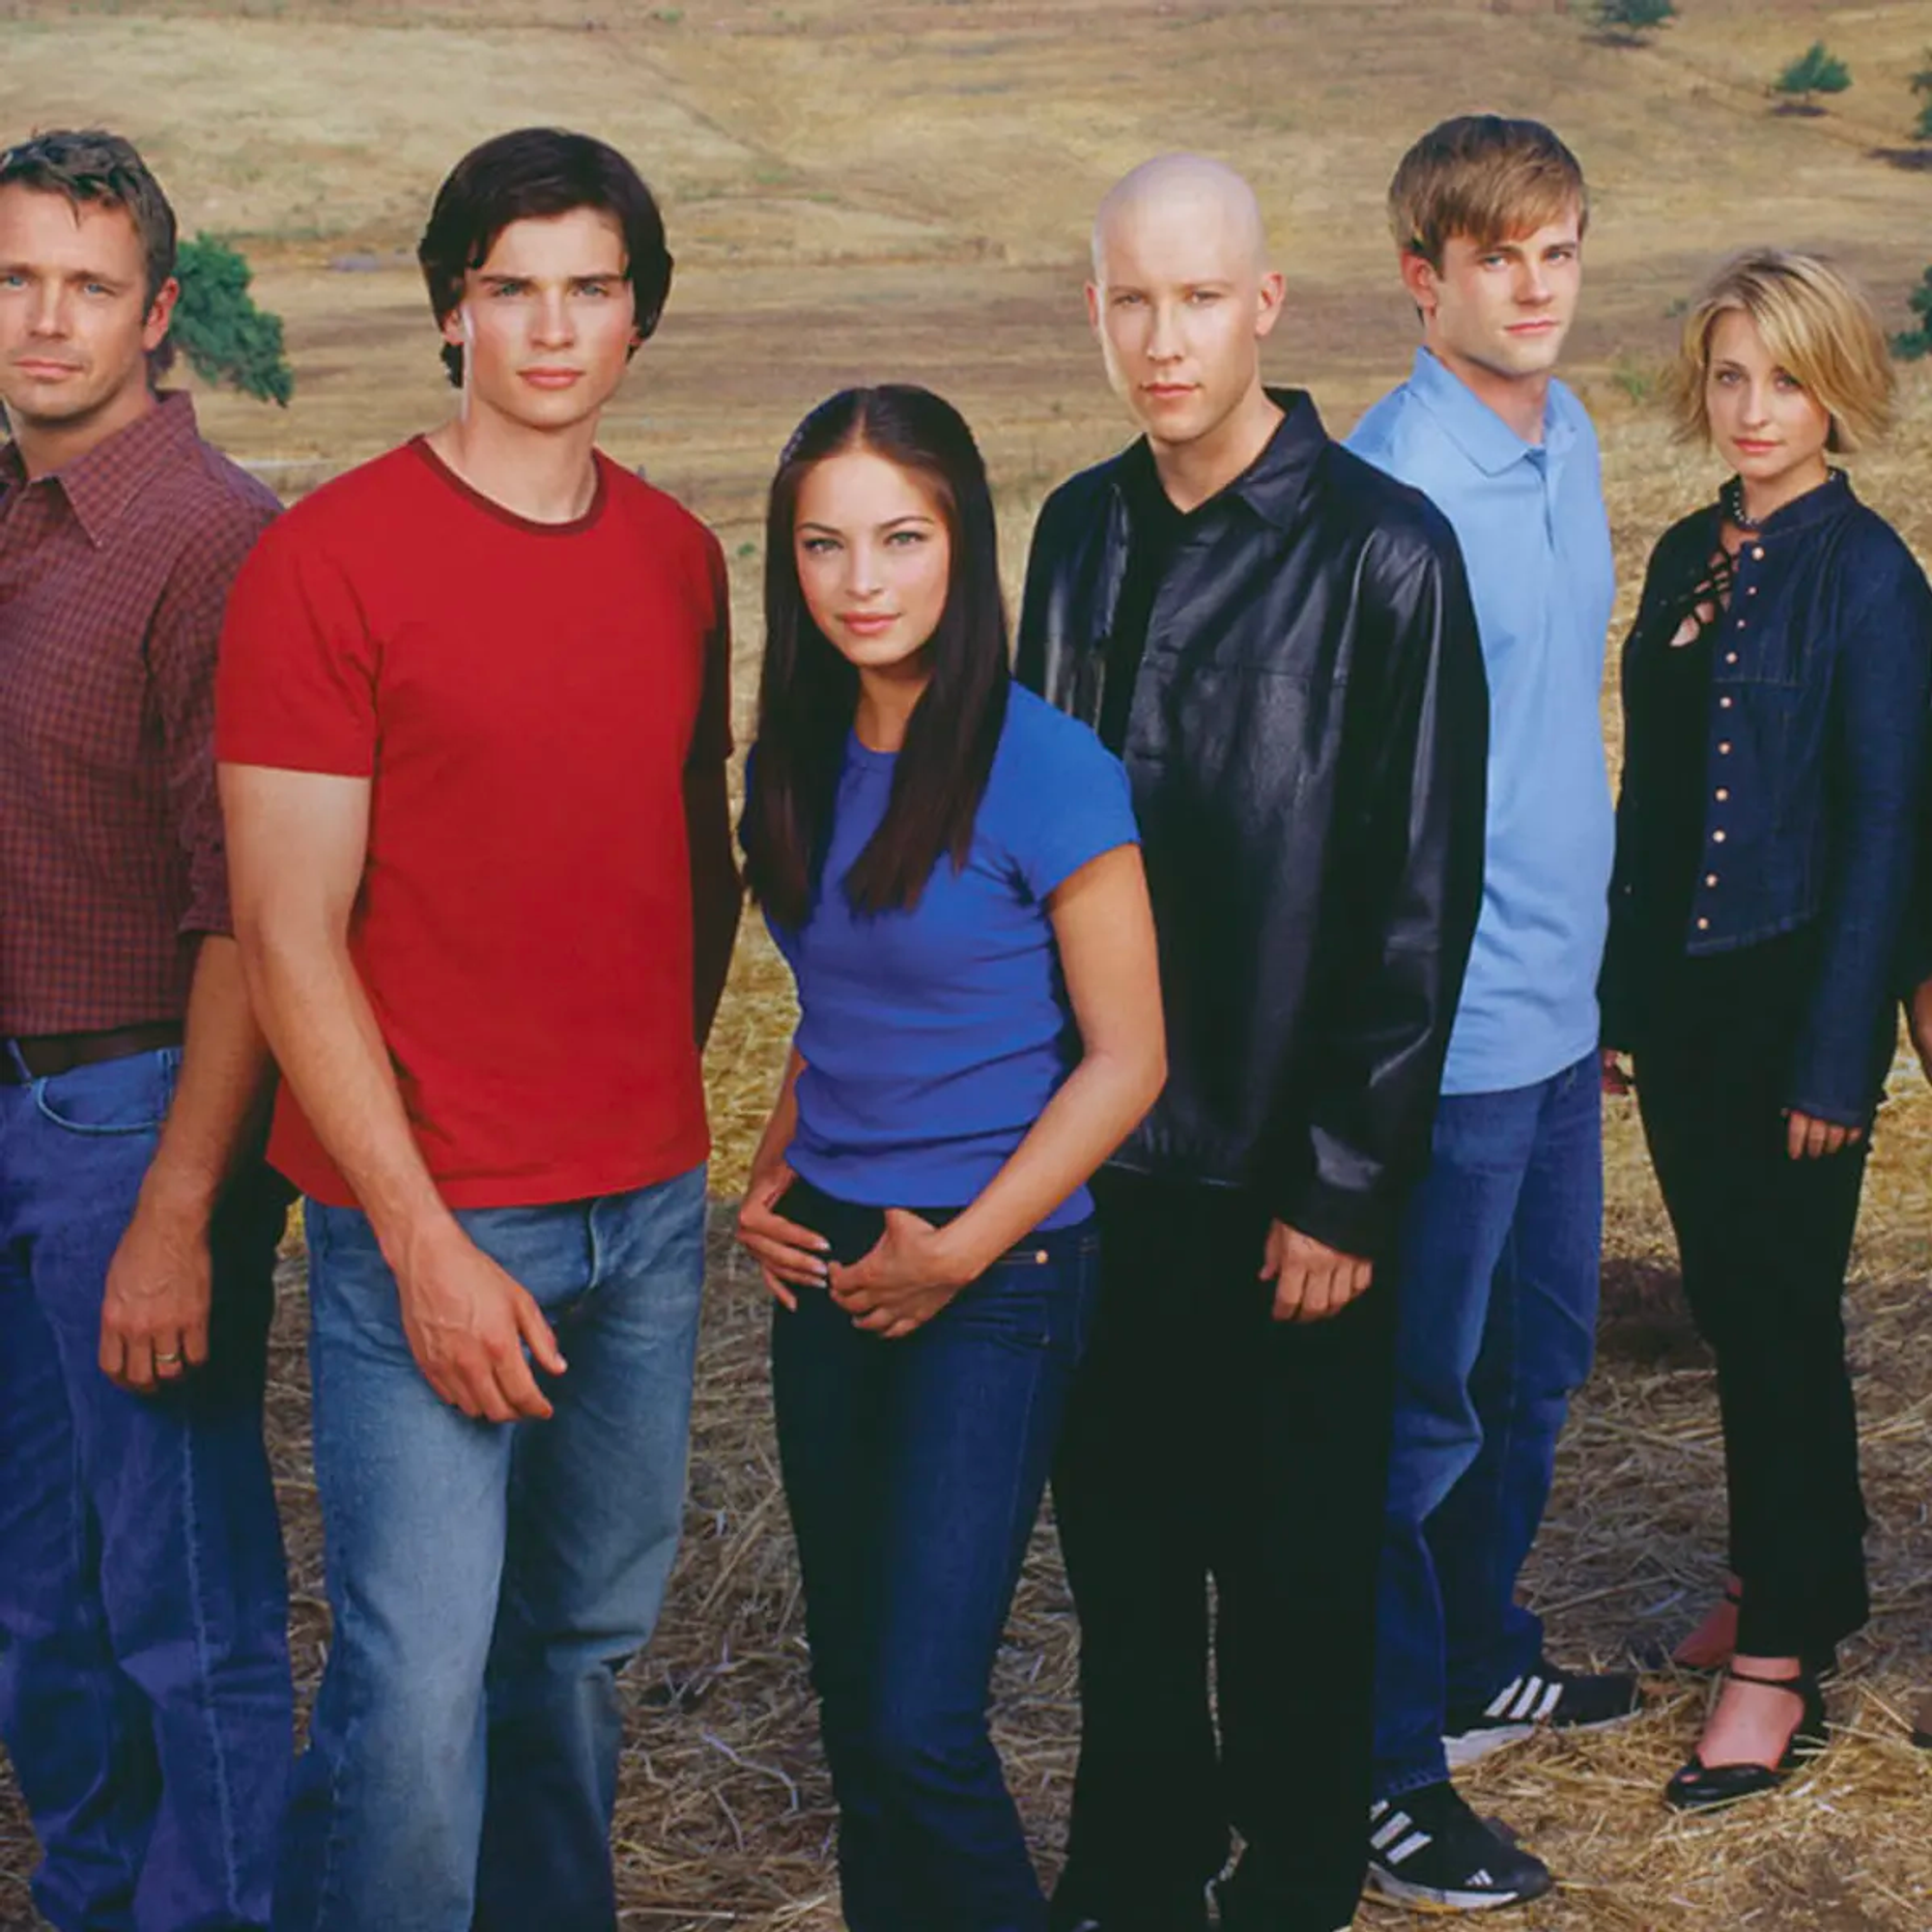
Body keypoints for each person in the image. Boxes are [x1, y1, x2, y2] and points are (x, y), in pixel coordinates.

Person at [215, 128, 740, 1932]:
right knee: (417, 1681)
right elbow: (286, 936)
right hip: (424, 1217)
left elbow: (690, 865)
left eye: (592, 289)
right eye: (513, 288)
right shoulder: (326, 564)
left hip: (645, 1213)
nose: (553, 327)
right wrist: (424, 1242)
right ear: (453, 309)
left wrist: (653, 1114)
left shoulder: (680, 559)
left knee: (578, 1651)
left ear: (639, 317)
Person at [1017, 155, 1488, 1932]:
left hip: (1288, 1174)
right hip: (1099, 1161)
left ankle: (1294, 1883)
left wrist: (1346, 1185)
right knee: (1127, 1564)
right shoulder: (1077, 528)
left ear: (1268, 307)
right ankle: (1136, 1873)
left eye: (1201, 299)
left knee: (1295, 1582)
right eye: (1133, 301)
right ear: (1094, 311)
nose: (1165, 339)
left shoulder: (1386, 554)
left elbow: (1417, 897)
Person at [736, 384, 1164, 1932]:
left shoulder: (1048, 766)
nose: (862, 581)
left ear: (963, 545)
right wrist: (767, 1179)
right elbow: (837, 1006)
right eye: (824, 544)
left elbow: (1129, 1058)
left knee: (922, 1721)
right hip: (831, 1255)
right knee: (857, 1709)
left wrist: (963, 1251)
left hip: (998, 1264)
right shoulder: (792, 757)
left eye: (901, 540)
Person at [1345, 115, 1639, 1912]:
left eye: (1559, 250)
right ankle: (1382, 1769)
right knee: (1411, 1414)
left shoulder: (1573, 432)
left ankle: (1473, 1660)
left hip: (1557, 1014)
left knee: (1534, 1372)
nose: (1535, 288)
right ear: (1422, 277)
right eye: (1496, 257)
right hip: (1440, 1044)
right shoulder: (1387, 491)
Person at [0, 128, 292, 1932]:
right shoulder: (10, 517)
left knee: (179, 1591)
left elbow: (250, 912)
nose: (48, 319)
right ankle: (95, 1898)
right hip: (12, 1103)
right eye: (16, 278)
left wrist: (182, 1209)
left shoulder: (213, 543)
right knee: (38, 1595)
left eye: (89, 287)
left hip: (133, 1119)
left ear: (159, 312)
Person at [1601, 248, 1931, 1808]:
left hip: (1799, 997)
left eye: (1786, 380)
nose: (1754, 408)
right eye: (1731, 376)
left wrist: (1836, 1058)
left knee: (1786, 1324)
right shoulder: (1684, 552)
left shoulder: (1874, 579)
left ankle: (1780, 1663)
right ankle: (1788, 1577)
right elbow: (1653, 797)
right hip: (1683, 998)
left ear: (1837, 390)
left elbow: (1886, 834)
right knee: (1736, 1312)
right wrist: (1620, 997)